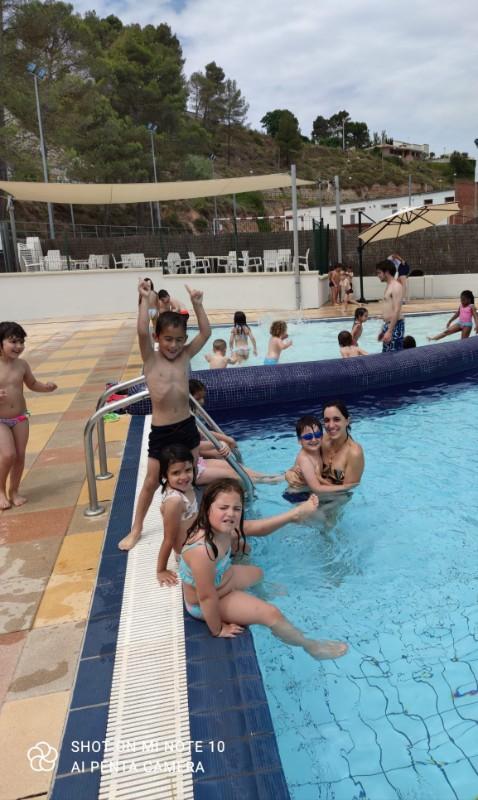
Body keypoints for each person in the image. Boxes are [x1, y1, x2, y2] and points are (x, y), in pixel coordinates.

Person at [178, 478, 348, 659]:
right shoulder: (202, 551)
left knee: (258, 573)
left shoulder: (225, 528)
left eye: (237, 509)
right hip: (205, 603)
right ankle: (311, 647)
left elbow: (259, 527)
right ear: (207, 508)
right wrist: (218, 629)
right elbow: (206, 597)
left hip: (224, 579)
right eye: (223, 508)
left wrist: (292, 515)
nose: (231, 514)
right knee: (271, 613)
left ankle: (261, 594)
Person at [118, 281, 211, 550]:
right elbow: (141, 331)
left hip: (186, 426)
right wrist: (144, 301)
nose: (174, 345)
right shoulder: (151, 358)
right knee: (151, 481)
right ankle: (136, 528)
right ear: (157, 337)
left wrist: (197, 304)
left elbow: (205, 333)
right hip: (162, 430)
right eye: (168, 339)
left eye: (180, 340)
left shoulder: (185, 355)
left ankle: (192, 520)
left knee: (190, 475)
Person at [157, 446, 319, 586]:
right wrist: (161, 570)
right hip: (191, 553)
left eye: (187, 470)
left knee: (242, 546)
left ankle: (245, 581)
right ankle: (293, 515)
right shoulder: (174, 501)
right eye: (176, 473)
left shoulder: (185, 487)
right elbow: (168, 539)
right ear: (164, 475)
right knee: (244, 527)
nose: (184, 476)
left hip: (200, 536)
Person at [0, 321, 57, 510]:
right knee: (8, 455)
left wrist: (46, 387)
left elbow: (32, 384)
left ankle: (14, 491)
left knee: (19, 455)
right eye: (13, 342)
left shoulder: (22, 365)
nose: (19, 346)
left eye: (21, 342)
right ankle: (0, 491)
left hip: (20, 417)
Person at [285, 403, 364, 497]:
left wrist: (319, 479)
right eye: (327, 420)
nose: (331, 425)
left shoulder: (354, 453)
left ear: (347, 421)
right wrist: (289, 473)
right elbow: (305, 461)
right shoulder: (321, 439)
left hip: (336, 497)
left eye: (336, 419)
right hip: (309, 490)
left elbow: (347, 490)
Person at [189, 379, 237, 458]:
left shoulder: (196, 411)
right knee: (222, 450)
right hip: (193, 446)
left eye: (203, 397)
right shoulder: (188, 414)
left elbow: (203, 433)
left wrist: (226, 439)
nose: (202, 401)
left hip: (198, 441)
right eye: (197, 399)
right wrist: (224, 440)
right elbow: (201, 433)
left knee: (227, 445)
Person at [376, 260, 404, 351]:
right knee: (386, 355)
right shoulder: (389, 286)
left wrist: (389, 331)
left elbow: (397, 310)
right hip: (389, 325)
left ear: (387, 272)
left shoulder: (396, 286)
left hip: (395, 326)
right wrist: (383, 329)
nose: (378, 275)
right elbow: (390, 309)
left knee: (395, 355)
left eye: (379, 273)